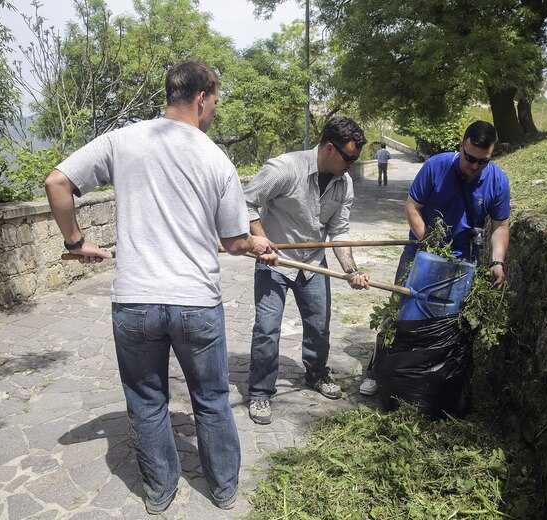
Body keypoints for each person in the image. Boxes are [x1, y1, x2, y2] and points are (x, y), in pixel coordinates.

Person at [44, 59, 278, 514]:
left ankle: (159, 492)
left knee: (147, 402)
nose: (213, 111)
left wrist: (76, 241)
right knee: (210, 400)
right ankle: (225, 489)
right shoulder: (215, 157)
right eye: (215, 102)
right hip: (196, 304)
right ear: (202, 97)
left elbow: (57, 182)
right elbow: (233, 242)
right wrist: (259, 243)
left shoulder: (122, 140)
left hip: (134, 302)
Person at [359, 120, 510, 397]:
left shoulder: (498, 181)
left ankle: (432, 379)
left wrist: (497, 261)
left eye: (483, 161)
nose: (474, 166)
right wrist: (429, 246)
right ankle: (377, 370)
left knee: (448, 322)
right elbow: (413, 207)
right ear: (461, 146)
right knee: (400, 313)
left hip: (463, 265)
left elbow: (500, 225)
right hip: (421, 256)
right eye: (470, 158)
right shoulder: (436, 167)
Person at [244, 116, 372, 425]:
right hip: (273, 262)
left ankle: (316, 374)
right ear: (330, 148)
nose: (352, 165)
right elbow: (245, 202)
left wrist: (351, 269)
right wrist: (262, 242)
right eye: (349, 158)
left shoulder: (344, 183)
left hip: (313, 262)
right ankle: (260, 391)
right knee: (267, 328)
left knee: (319, 326)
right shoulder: (285, 168)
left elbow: (339, 231)